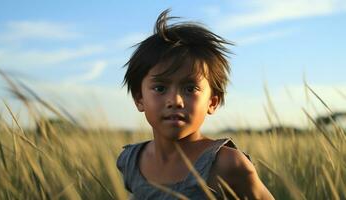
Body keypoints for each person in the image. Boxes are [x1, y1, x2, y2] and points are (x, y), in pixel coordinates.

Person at [117, 9, 274, 200]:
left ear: (212, 102)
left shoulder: (227, 164)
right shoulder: (130, 161)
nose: (175, 100)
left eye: (190, 89)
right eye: (160, 88)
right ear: (139, 99)